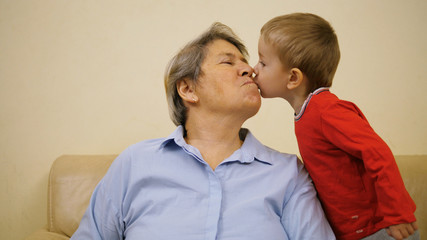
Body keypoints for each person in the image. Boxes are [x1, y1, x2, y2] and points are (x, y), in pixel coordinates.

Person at [70, 22, 335, 239]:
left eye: (246, 62)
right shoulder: (135, 164)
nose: (249, 70)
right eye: (228, 62)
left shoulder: (288, 173)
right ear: (188, 89)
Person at [253, 13, 419, 240]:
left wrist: (398, 214)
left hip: (380, 230)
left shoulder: (326, 110)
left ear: (293, 78)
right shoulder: (307, 112)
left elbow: (377, 152)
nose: (254, 69)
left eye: (263, 62)